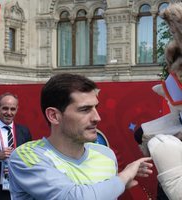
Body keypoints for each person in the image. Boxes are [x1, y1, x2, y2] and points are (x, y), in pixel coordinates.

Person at [8, 73, 153, 200]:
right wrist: (123, 178)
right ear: (54, 116)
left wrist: (116, 184)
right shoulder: (26, 156)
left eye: (96, 107)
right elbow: (74, 197)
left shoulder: (106, 154)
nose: (97, 118)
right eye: (85, 109)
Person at [0, 92, 32, 200]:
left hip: (19, 190)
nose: (9, 113)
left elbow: (30, 160)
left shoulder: (24, 131)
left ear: (17, 109)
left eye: (12, 109)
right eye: (5, 108)